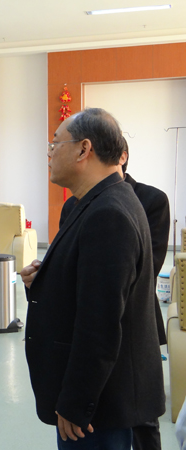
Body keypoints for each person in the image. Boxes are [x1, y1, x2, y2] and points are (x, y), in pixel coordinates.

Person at [21, 108, 165, 449]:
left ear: (84, 149)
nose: (49, 154)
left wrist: (76, 401)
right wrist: (44, 279)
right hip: (100, 399)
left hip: (99, 407)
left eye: (55, 144)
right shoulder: (95, 203)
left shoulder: (108, 213)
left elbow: (99, 324)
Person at [59, 138, 170, 450]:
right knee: (102, 415)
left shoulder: (150, 199)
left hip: (134, 322)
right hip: (90, 319)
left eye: (57, 143)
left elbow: (148, 264)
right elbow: (67, 262)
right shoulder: (72, 204)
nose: (52, 152)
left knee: (143, 419)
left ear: (121, 156)